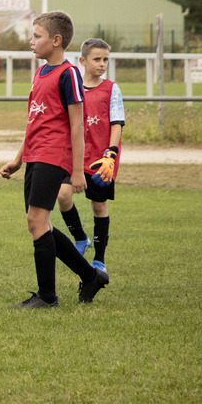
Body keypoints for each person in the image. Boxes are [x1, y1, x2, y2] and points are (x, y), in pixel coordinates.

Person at [0, 12, 111, 308]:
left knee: (37, 221)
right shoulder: (40, 73)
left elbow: (77, 124)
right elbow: (34, 121)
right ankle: (91, 277)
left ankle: (47, 297)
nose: (31, 41)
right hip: (35, 155)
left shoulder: (68, 73)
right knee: (40, 223)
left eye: (37, 36)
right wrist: (18, 160)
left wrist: (77, 172)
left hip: (53, 155)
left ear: (56, 40)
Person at [58, 38, 123, 275]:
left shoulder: (111, 89)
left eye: (105, 59)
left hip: (100, 159)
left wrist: (111, 153)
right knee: (62, 195)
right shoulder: (74, 87)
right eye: (96, 59)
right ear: (83, 61)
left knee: (98, 206)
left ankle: (99, 259)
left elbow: (116, 124)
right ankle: (80, 238)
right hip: (73, 156)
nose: (102, 64)